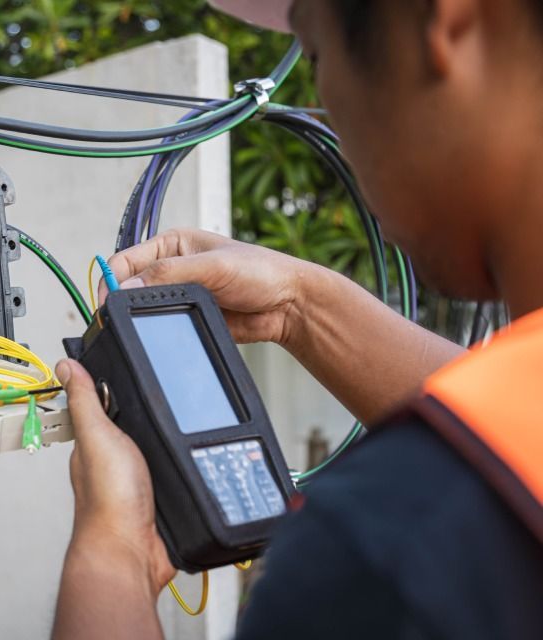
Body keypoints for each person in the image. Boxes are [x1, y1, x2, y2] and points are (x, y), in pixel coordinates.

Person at [51, 0, 543, 638]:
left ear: (444, 20)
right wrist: (296, 305)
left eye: (315, 54)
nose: (324, 101)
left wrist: (113, 556)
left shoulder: (386, 549)